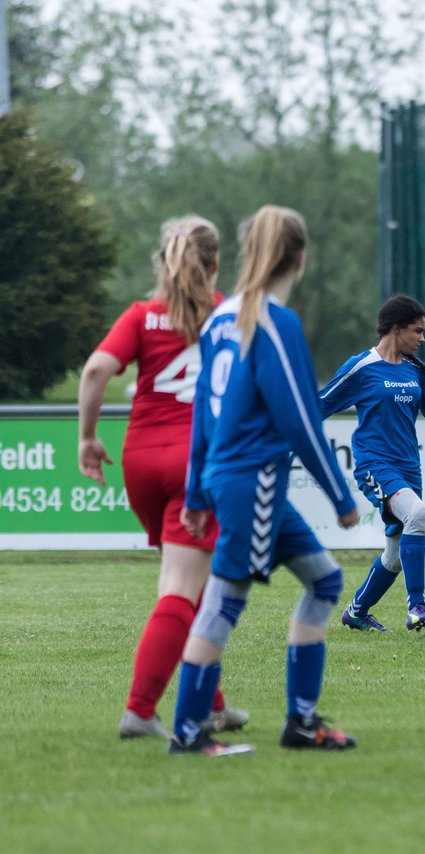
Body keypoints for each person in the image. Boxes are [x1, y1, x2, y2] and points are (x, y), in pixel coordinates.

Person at [169, 205, 360, 756]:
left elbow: (204, 413)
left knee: (325, 582)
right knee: (225, 599)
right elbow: (298, 418)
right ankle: (188, 732)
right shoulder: (275, 322)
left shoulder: (220, 318)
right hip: (255, 484)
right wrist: (340, 494)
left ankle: (300, 723)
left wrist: (197, 491)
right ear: (299, 259)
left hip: (240, 482)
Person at [77, 215, 249, 740]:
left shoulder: (142, 316)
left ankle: (213, 703)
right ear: (216, 264)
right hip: (196, 465)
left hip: (141, 463)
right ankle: (140, 709)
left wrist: (87, 438)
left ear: (162, 262)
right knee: (181, 586)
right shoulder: (229, 316)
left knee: (186, 583)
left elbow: (95, 371)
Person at [319, 294, 425, 633]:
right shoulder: (361, 367)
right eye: (417, 331)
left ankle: (356, 611)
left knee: (394, 558)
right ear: (396, 329)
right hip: (373, 465)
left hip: (409, 468)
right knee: (420, 514)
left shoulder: (415, 371)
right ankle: (416, 606)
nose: (422, 338)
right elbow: (318, 405)